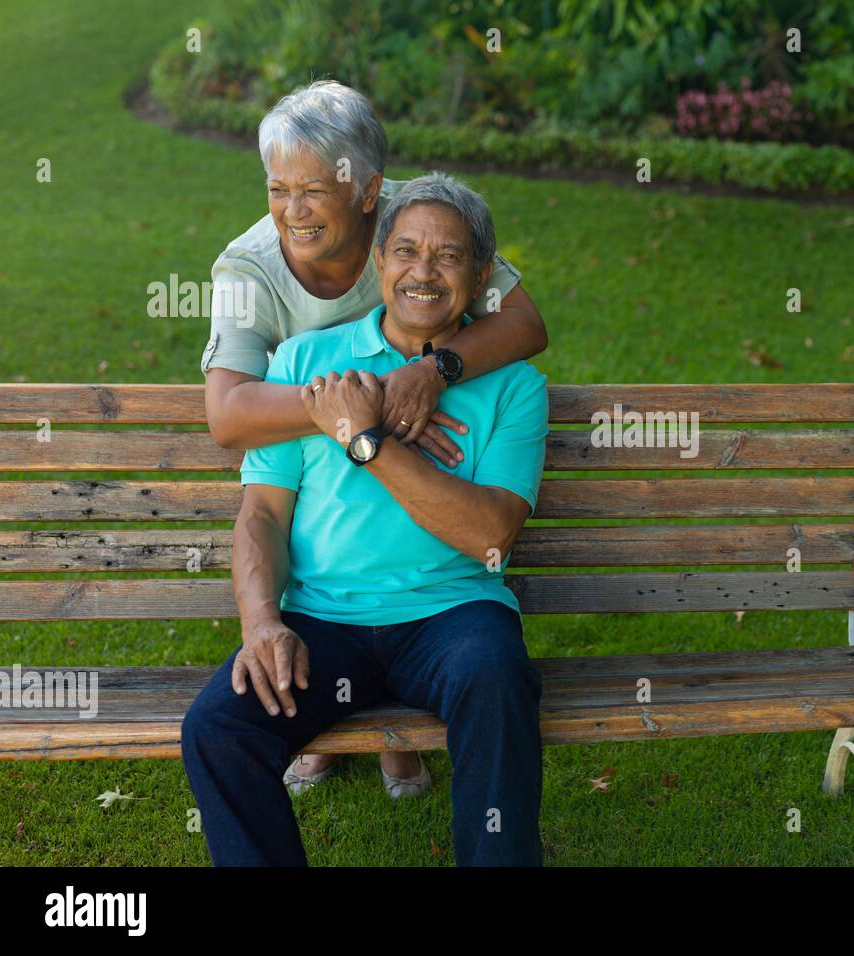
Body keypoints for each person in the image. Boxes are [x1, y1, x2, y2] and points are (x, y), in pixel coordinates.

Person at [181, 172, 548, 866]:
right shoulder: (302, 363)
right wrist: (262, 623)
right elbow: (261, 513)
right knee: (218, 727)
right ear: (379, 262)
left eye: (447, 256)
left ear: (480, 275)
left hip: (453, 614)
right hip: (323, 621)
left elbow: (490, 535)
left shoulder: (514, 386)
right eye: (405, 251)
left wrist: (363, 439)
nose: (423, 272)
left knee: (498, 681)